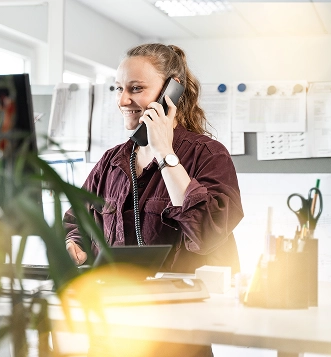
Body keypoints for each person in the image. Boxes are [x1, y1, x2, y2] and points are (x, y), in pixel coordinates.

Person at [62, 43, 244, 357]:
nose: (122, 100)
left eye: (136, 88)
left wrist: (166, 154)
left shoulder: (207, 155)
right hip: (111, 332)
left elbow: (207, 233)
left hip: (178, 337)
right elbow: (75, 220)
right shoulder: (111, 161)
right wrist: (73, 243)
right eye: (118, 88)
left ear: (170, 92)